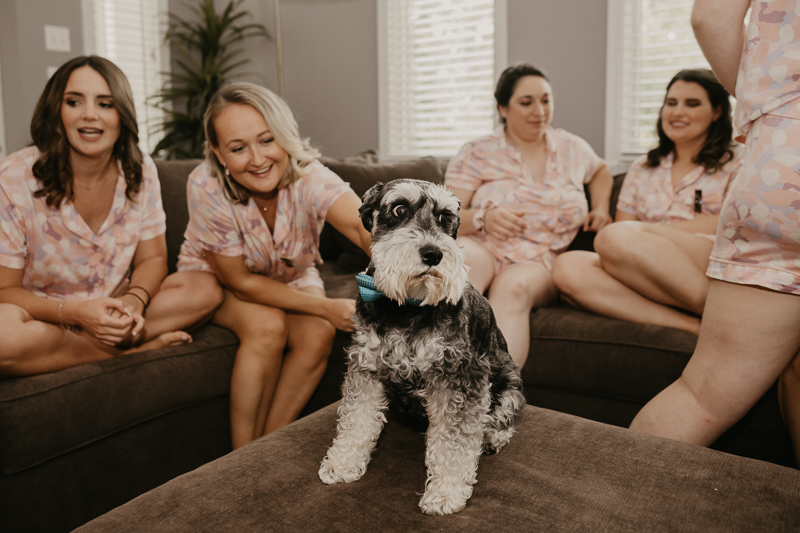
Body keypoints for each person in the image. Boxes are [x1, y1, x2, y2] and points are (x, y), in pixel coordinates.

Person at [630, 0, 800, 463]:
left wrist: (763, 99)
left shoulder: (727, 160)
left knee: (702, 394)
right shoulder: (645, 168)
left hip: (780, 156)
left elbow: (710, 14)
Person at [0, 55, 222, 378]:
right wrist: (77, 313)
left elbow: (154, 258)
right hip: (48, 317)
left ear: (122, 115)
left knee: (206, 288)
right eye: (74, 101)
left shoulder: (142, 170)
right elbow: (5, 291)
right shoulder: (13, 178)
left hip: (119, 308)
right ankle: (128, 351)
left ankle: (108, 342)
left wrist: (134, 302)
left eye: (105, 104)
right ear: (56, 111)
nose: (90, 115)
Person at [177, 82, 371, 448]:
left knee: (318, 334)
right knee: (267, 328)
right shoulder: (205, 186)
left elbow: (362, 226)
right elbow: (240, 282)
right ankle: (238, 456)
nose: (257, 158)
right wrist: (326, 306)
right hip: (220, 280)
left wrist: (392, 253)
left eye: (267, 140)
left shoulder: (311, 176)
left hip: (291, 274)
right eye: (238, 148)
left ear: (285, 136)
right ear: (218, 153)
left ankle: (265, 447)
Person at [444, 63, 614, 366]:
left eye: (545, 100)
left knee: (514, 286)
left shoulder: (571, 147)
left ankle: (492, 393)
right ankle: (430, 373)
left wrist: (600, 207)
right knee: (460, 265)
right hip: (484, 245)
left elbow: (601, 170)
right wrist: (484, 217)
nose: (539, 111)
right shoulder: (477, 151)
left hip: (540, 261)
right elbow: (443, 216)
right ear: (503, 107)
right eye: (526, 102)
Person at [551, 69, 742, 335]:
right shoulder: (643, 167)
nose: (677, 112)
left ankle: (723, 316)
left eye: (692, 103)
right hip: (647, 268)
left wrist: (651, 232)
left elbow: (732, 223)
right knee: (567, 267)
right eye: (671, 103)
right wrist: (640, 236)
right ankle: (694, 327)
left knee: (614, 236)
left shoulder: (737, 162)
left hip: (704, 258)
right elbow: (621, 236)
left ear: (717, 111)